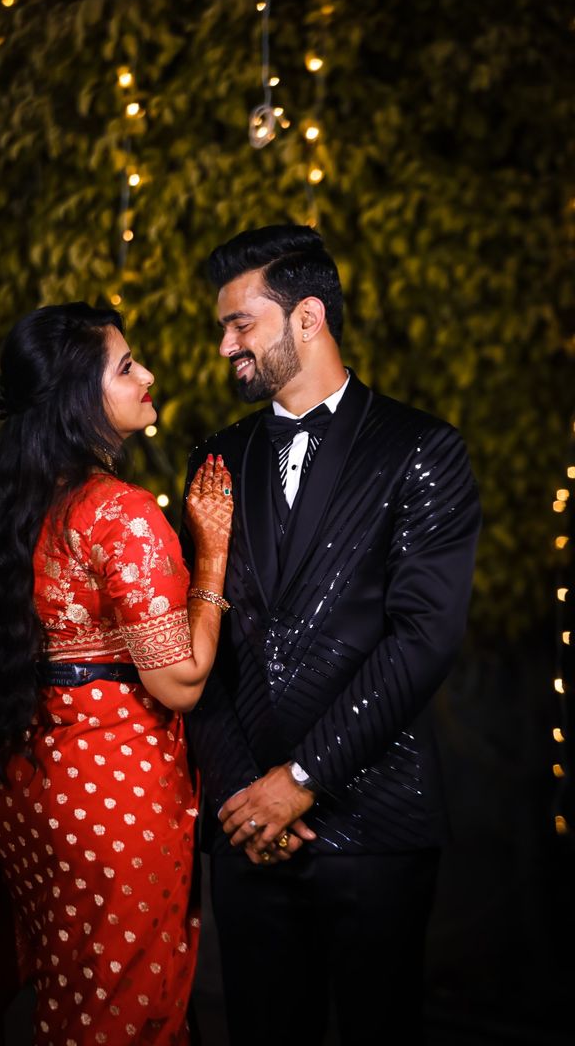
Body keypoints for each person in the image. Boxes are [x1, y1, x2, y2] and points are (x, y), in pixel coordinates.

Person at [182, 225, 482, 1045]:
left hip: (376, 828)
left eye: (240, 323)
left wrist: (302, 781)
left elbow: (423, 638)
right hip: (246, 832)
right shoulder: (214, 457)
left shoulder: (423, 448)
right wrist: (247, 795)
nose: (224, 346)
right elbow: (196, 640)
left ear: (307, 317)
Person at [0, 301, 233, 1046]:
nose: (148, 375)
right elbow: (181, 682)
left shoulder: (15, 507)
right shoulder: (118, 514)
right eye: (126, 367)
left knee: (75, 990)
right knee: (118, 1009)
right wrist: (210, 555)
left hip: (32, 788)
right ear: (75, 400)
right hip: (112, 803)